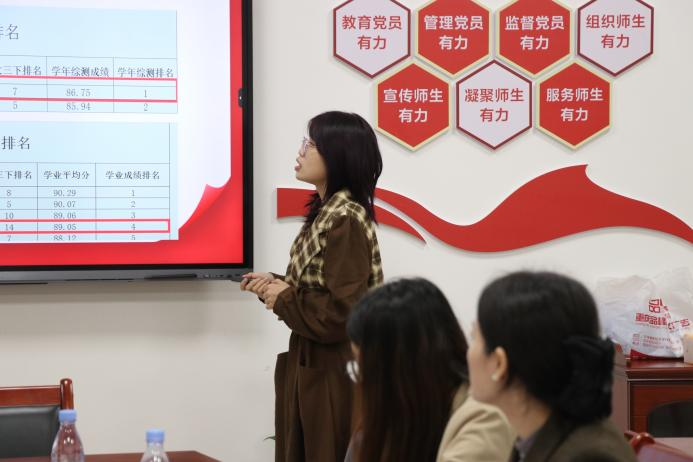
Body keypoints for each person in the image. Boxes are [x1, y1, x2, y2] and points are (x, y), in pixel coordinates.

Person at [241, 111, 384, 462]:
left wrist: (285, 297)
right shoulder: (327, 211)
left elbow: (344, 313)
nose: (301, 151)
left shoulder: (345, 219)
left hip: (334, 372)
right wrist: (277, 285)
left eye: (312, 144)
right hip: (315, 365)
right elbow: (320, 289)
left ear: (338, 155)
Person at [467, 271, 637, 462]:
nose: (468, 351)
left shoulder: (588, 456)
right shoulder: (537, 436)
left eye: (474, 337)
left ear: (499, 363)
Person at [345, 278, 514, 462]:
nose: (361, 380)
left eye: (364, 369)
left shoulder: (484, 418)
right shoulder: (394, 421)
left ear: (401, 371)